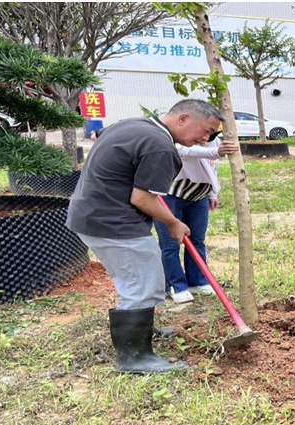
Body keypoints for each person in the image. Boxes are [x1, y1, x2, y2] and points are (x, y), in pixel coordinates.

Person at [67, 99, 224, 373]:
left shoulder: (136, 125)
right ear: (183, 118)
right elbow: (142, 197)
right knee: (142, 283)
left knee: (137, 279)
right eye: (207, 130)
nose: (206, 139)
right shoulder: (160, 146)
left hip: (93, 213)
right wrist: (174, 222)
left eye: (211, 135)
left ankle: (142, 329)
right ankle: (134, 357)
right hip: (113, 222)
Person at [155, 131, 239, 304]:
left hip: (198, 197)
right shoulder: (179, 139)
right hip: (170, 196)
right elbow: (184, 151)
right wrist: (216, 152)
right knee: (170, 243)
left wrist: (212, 194)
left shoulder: (214, 142)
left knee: (197, 240)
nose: (208, 134)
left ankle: (197, 281)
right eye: (206, 129)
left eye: (213, 130)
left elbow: (212, 168)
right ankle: (175, 286)